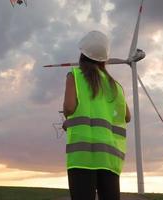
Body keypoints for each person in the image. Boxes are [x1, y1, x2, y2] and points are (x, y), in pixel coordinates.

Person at [62, 30, 131, 200]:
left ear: (82, 54)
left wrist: (67, 121)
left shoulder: (75, 76)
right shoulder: (115, 86)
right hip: (109, 157)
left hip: (82, 156)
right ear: (105, 59)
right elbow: (127, 116)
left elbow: (69, 108)